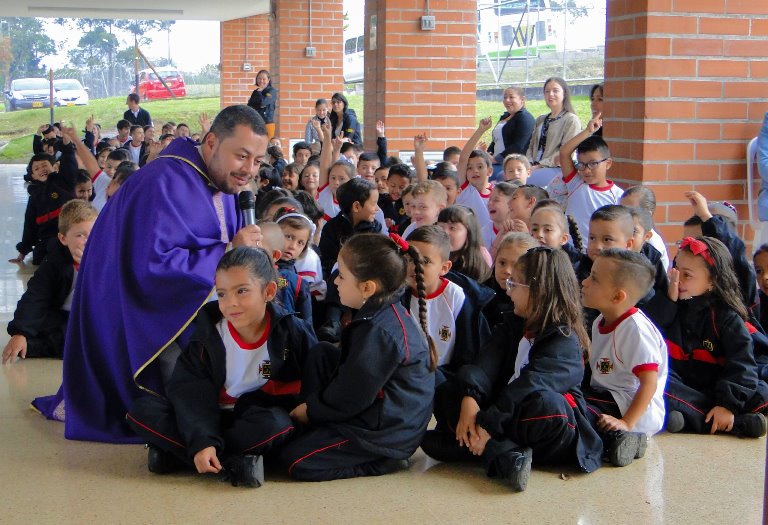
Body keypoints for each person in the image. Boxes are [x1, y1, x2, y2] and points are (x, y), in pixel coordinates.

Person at [30, 105, 268, 444]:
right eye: (242, 156)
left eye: (257, 161)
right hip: (137, 312)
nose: (248, 170)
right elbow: (152, 268)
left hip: (197, 306)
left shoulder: (222, 184)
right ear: (212, 141)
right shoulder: (162, 181)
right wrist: (228, 252)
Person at [127, 247, 317, 487]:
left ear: (268, 291)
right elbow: (190, 394)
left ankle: (180, 457)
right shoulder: (207, 337)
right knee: (142, 410)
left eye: (242, 291)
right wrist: (204, 441)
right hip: (208, 417)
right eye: (223, 294)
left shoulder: (293, 332)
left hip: (254, 421)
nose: (231, 303)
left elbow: (315, 380)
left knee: (277, 426)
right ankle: (233, 461)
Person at [422, 247, 602, 492]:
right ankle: (505, 452)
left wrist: (487, 424)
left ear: (538, 292)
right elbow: (484, 364)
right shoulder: (512, 324)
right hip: (504, 415)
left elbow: (531, 385)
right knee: (442, 384)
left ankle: (493, 449)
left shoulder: (565, 339)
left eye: (514, 284)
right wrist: (470, 398)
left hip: (533, 419)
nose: (508, 290)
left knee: (548, 407)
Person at [279, 233, 434, 481]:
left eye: (341, 276)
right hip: (377, 408)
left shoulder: (380, 331)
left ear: (367, 287)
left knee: (295, 460)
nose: (335, 282)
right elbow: (353, 377)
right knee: (322, 352)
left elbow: (351, 397)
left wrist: (310, 410)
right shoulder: (379, 310)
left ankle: (384, 462)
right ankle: (320, 428)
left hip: (387, 433)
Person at [646, 237, 768, 438]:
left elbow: (742, 366)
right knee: (655, 385)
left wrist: (727, 405)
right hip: (688, 388)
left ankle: (691, 416)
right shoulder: (671, 305)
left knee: (759, 392)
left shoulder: (727, 318)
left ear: (713, 282)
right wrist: (668, 302)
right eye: (676, 270)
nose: (677, 279)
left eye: (687, 275)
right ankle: (737, 424)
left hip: (721, 387)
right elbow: (648, 331)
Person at [581, 249, 667, 466]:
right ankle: (621, 442)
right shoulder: (602, 319)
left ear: (618, 296)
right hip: (608, 396)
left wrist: (627, 422)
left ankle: (625, 436)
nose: (584, 282)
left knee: (579, 409)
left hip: (629, 407)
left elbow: (649, 383)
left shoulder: (635, 330)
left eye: (594, 279)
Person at [3, 200, 97, 363]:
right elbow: (36, 296)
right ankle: (30, 345)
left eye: (93, 233)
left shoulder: (106, 260)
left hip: (92, 316)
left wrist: (91, 269)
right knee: (57, 329)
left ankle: (37, 347)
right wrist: (21, 332)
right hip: (61, 316)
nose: (88, 241)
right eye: (80, 235)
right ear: (63, 238)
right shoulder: (55, 262)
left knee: (98, 333)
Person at [403, 225, 493, 385]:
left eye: (425, 261)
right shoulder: (399, 295)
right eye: (409, 259)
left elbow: (468, 353)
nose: (414, 266)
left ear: (444, 268)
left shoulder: (457, 298)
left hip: (446, 381)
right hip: (407, 378)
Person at [10, 127, 79, 265]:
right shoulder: (34, 197)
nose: (41, 169)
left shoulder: (64, 182)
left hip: (72, 234)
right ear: (33, 176)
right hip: (48, 240)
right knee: (39, 257)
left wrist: (66, 145)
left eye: (44, 165)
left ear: (55, 167)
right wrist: (23, 251)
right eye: (36, 169)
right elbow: (29, 225)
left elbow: (70, 164)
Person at [558, 117, 623, 245]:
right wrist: (588, 131)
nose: (586, 170)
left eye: (593, 164)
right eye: (582, 164)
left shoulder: (618, 196)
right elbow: (564, 153)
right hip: (569, 249)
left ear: (608, 163)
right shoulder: (576, 183)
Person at [526, 77, 582, 188]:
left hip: (555, 168)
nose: (550, 94)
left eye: (555, 90)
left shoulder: (571, 119)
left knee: (518, 180)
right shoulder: (540, 119)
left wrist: (540, 165)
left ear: (564, 93)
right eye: (547, 91)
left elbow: (566, 151)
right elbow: (531, 146)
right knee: (506, 175)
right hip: (533, 166)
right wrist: (528, 163)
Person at [487, 86, 535, 180]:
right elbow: (495, 141)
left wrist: (496, 159)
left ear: (522, 99)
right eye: (505, 97)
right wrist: (487, 154)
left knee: (484, 175)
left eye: (511, 97)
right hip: (496, 162)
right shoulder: (505, 117)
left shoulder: (525, 118)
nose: (507, 100)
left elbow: (519, 146)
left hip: (511, 165)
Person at [438, 206, 492, 281]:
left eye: (452, 228)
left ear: (469, 233)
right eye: (441, 227)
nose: (445, 232)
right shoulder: (433, 257)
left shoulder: (481, 257)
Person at [247, 70, 278, 139]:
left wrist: (259, 93)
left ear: (268, 80)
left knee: (267, 146)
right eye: (259, 78)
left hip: (267, 123)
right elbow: (249, 106)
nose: (261, 81)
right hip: (255, 123)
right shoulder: (256, 92)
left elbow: (263, 102)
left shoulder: (271, 91)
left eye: (264, 79)